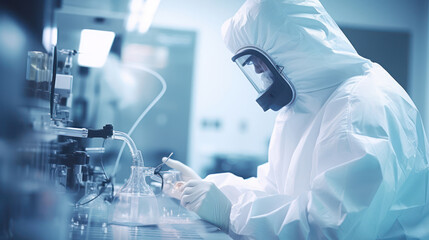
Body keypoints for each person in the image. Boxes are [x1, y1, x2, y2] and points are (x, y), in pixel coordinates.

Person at [163, 0, 429, 239]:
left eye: (258, 58)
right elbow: (275, 191)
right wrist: (213, 189)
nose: (256, 70)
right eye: (249, 62)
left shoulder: (359, 104)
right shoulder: (305, 106)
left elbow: (332, 228)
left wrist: (231, 213)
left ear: (290, 47)